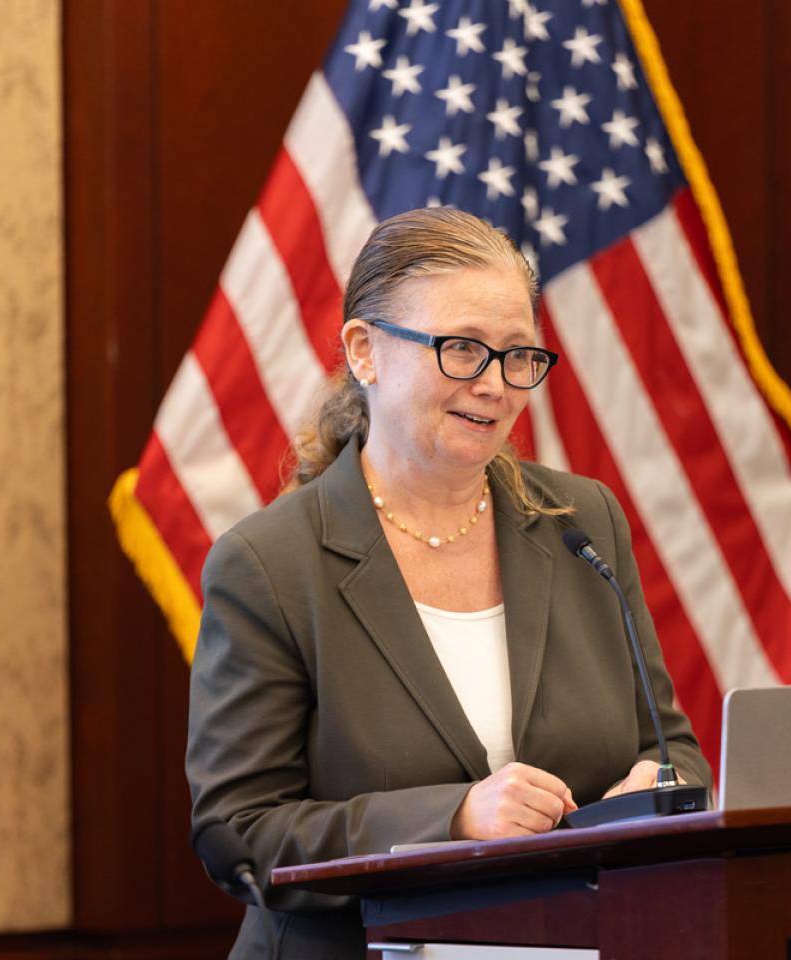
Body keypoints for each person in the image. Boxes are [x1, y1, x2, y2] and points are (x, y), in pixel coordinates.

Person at [186, 207, 711, 958]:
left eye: (518, 355)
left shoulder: (581, 520)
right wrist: (454, 819)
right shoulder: (269, 564)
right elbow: (238, 834)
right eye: (462, 349)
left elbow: (673, 750)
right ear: (364, 352)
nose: (495, 384)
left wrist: (656, 793)